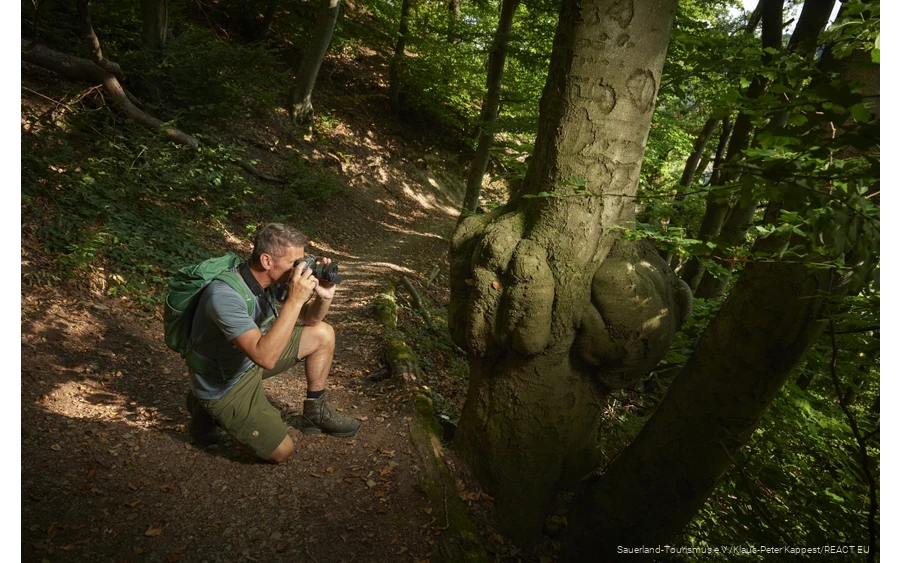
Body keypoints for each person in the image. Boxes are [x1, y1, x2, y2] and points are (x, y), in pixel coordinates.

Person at [184, 223, 360, 463]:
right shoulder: (224, 295)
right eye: (295, 263)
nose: (301, 269)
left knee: (322, 333)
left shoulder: (268, 281)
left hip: (248, 358)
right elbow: (265, 358)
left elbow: (310, 319)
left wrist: (325, 296)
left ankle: (315, 413)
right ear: (267, 261)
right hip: (226, 380)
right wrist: (295, 300)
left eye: (303, 261)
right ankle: (207, 407)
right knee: (281, 451)